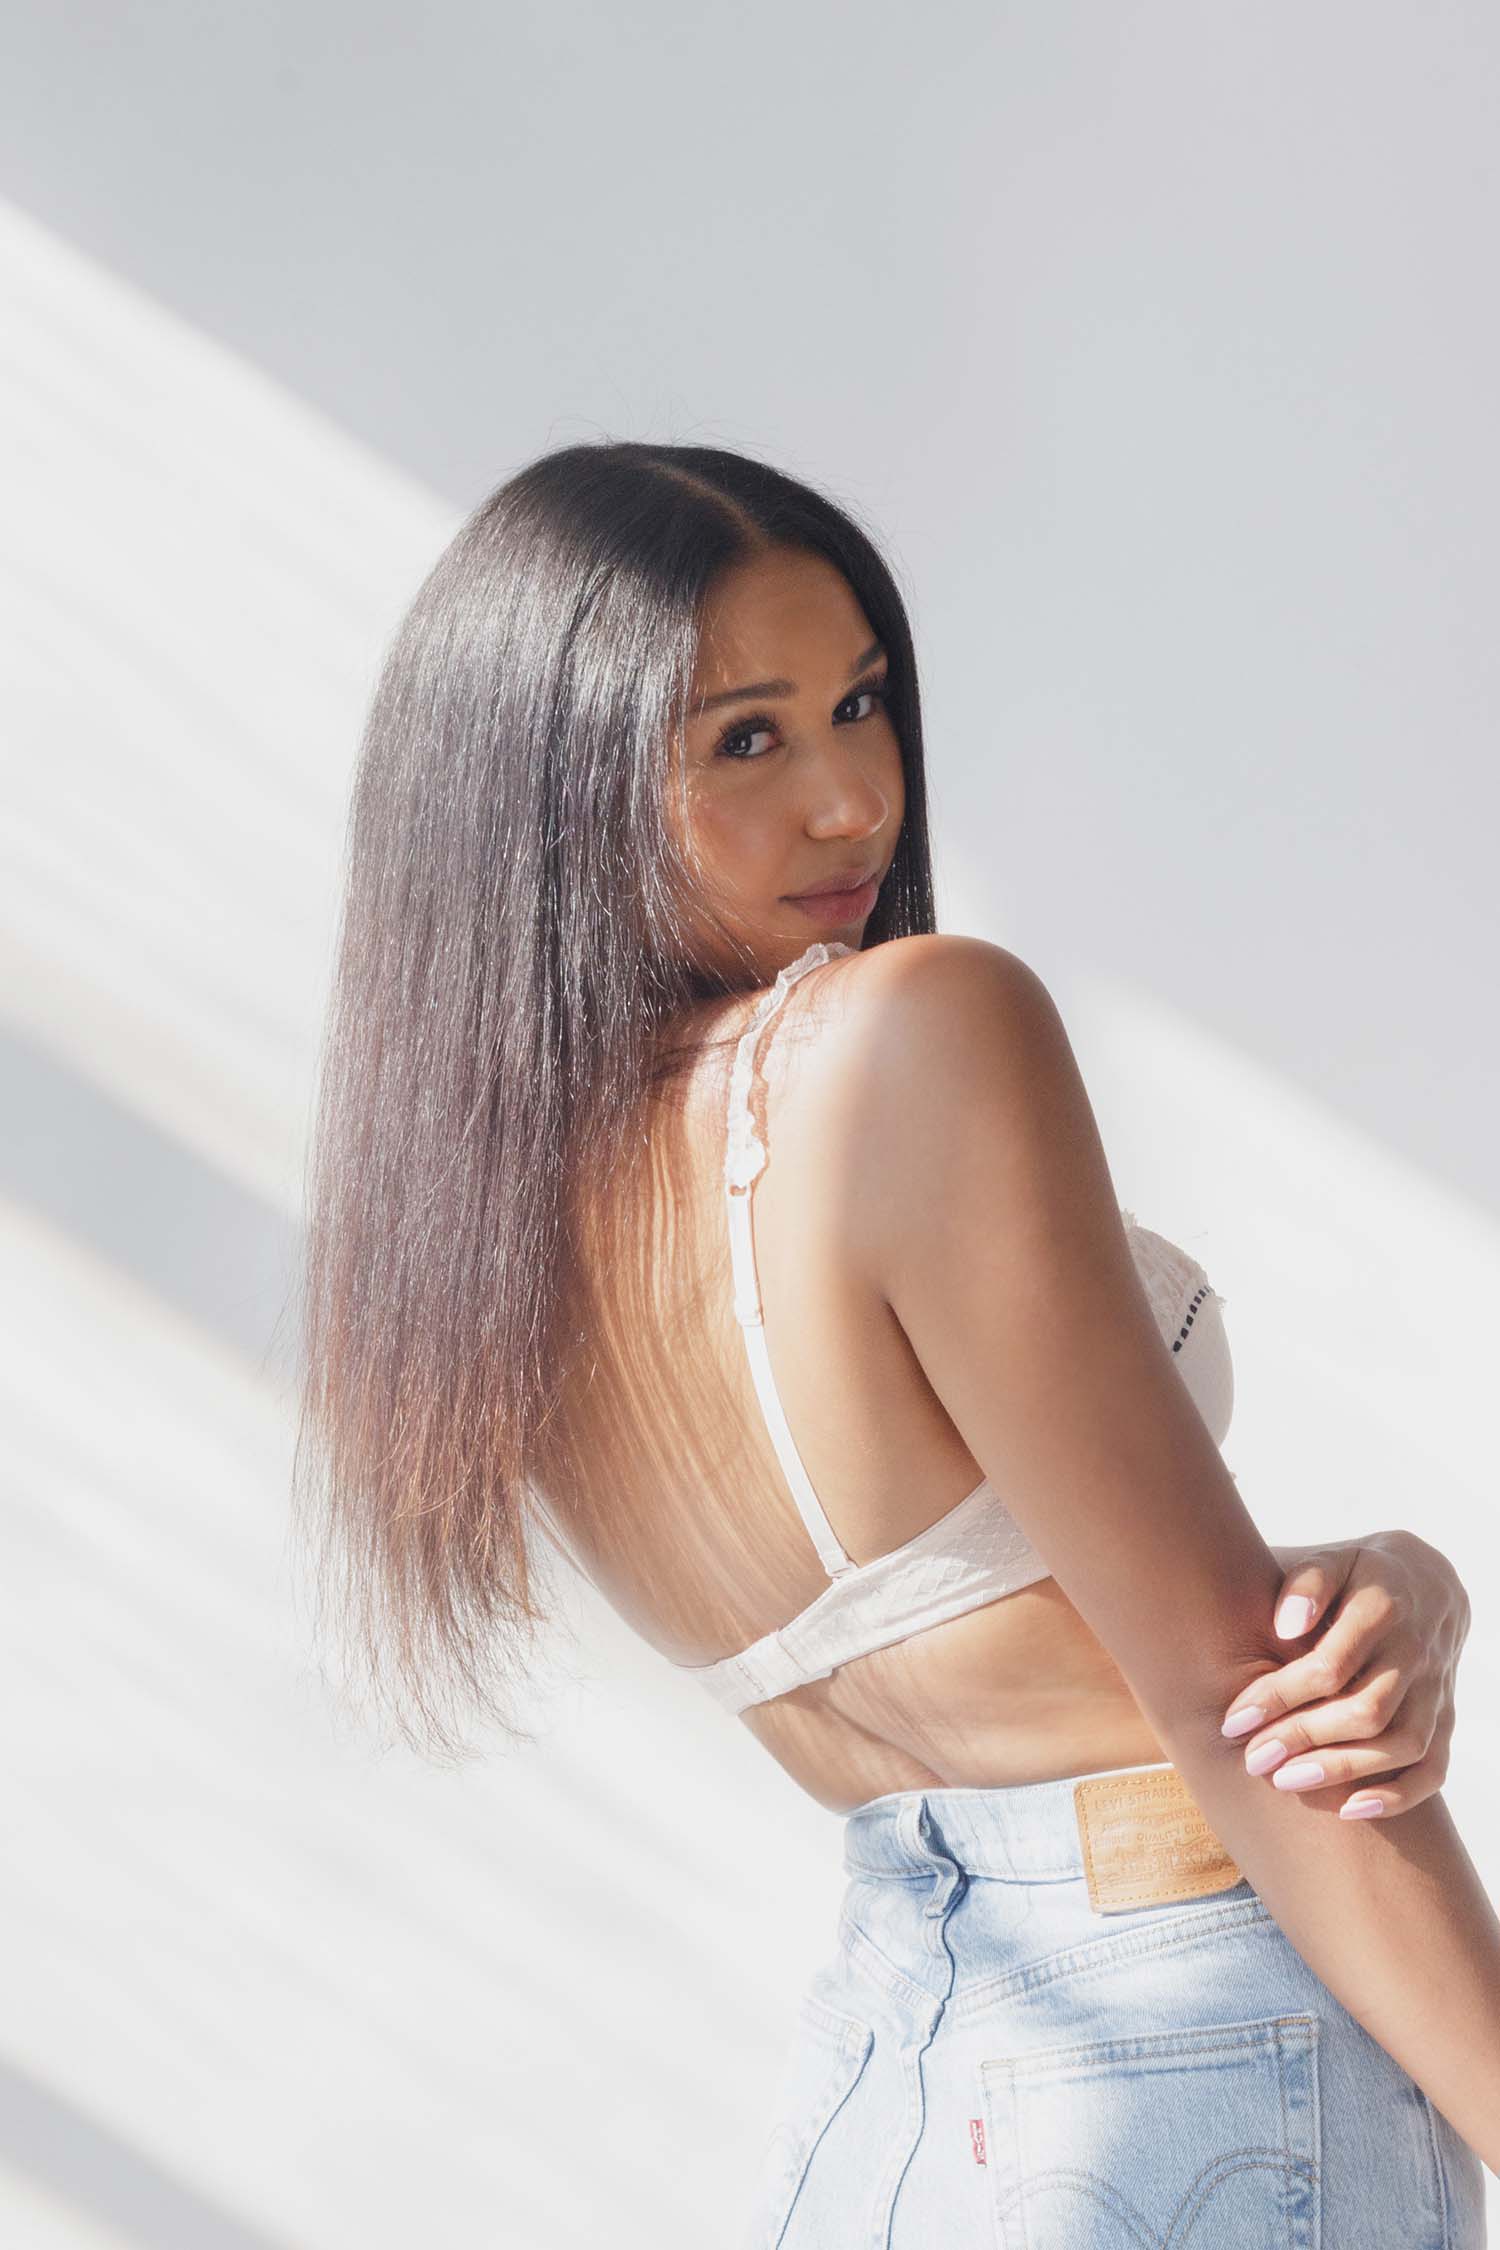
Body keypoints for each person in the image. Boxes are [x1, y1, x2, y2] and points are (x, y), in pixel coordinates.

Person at [293, 440, 1498, 2243]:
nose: (856, 798)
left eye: (861, 704)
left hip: (897, 2090)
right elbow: (1234, 1719)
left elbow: (1019, 1616)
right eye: (747, 739)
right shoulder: (913, 1035)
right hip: (1196, 2059)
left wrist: (1395, 1577)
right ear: (557, 787)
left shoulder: (486, 1236)